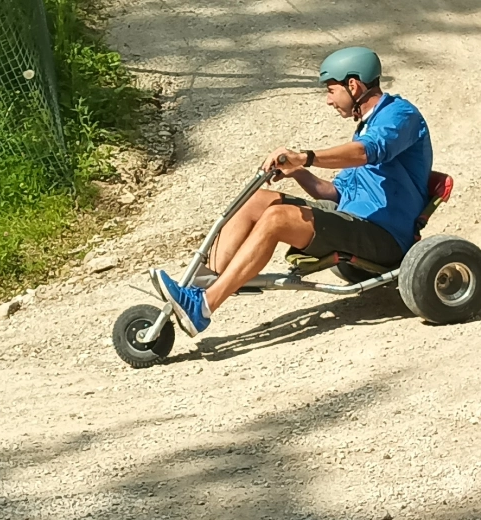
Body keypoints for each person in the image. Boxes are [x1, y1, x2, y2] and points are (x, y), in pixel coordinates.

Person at [152, 46, 432, 337]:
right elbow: (333, 193)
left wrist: (305, 157)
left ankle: (202, 308)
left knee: (278, 219)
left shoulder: (400, 115)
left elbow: (366, 152)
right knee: (256, 201)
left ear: (353, 86)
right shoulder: (365, 128)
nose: (328, 100)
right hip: (352, 222)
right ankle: (201, 286)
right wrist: (297, 171)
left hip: (384, 235)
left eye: (331, 90)